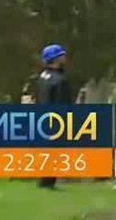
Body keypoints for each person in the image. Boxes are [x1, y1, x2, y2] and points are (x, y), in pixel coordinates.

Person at [35, 43, 72, 189]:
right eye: (62, 55)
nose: (65, 58)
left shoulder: (43, 77)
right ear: (56, 59)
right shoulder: (60, 80)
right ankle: (47, 183)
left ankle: (45, 182)